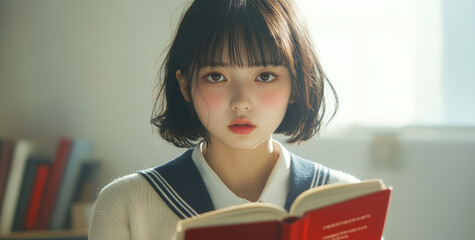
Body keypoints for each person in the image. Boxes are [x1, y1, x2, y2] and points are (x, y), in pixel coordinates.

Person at [89, 0, 359, 239]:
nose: (241, 101)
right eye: (216, 76)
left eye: (265, 76)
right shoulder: (125, 205)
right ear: (184, 85)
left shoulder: (347, 199)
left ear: (296, 85)